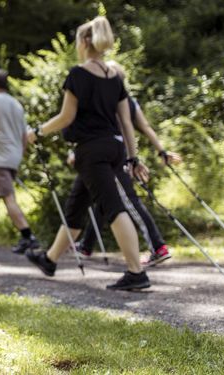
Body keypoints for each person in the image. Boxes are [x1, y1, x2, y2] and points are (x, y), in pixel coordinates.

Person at [25, 16, 152, 291]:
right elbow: (126, 122)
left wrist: (37, 132)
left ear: (85, 41)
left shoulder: (78, 75)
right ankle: (50, 259)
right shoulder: (114, 76)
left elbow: (66, 117)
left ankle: (136, 272)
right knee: (77, 205)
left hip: (91, 151)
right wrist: (133, 157)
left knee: (114, 208)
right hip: (113, 148)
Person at [72, 61, 183, 266]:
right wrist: (161, 150)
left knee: (130, 201)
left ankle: (158, 246)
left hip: (112, 157)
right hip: (118, 155)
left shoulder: (107, 99)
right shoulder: (130, 101)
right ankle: (86, 245)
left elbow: (108, 128)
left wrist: (137, 157)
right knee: (104, 199)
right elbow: (145, 127)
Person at [0, 69, 40, 254]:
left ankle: (28, 236)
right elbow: (23, 136)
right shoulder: (16, 104)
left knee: (8, 197)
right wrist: (20, 155)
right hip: (13, 156)